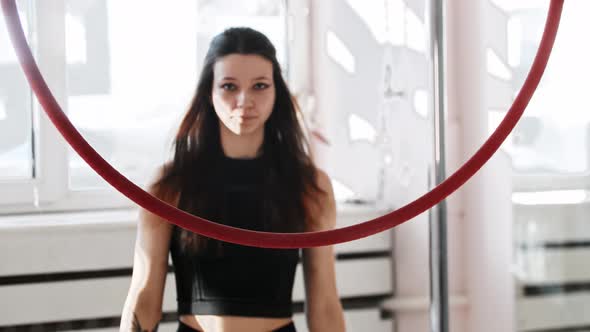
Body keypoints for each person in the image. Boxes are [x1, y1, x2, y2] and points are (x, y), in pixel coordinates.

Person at [120, 27, 345, 332]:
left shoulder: (310, 186)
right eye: (228, 86)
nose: (244, 100)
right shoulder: (170, 184)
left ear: (276, 92)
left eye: (259, 86)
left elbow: (325, 305)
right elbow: (144, 294)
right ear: (209, 93)